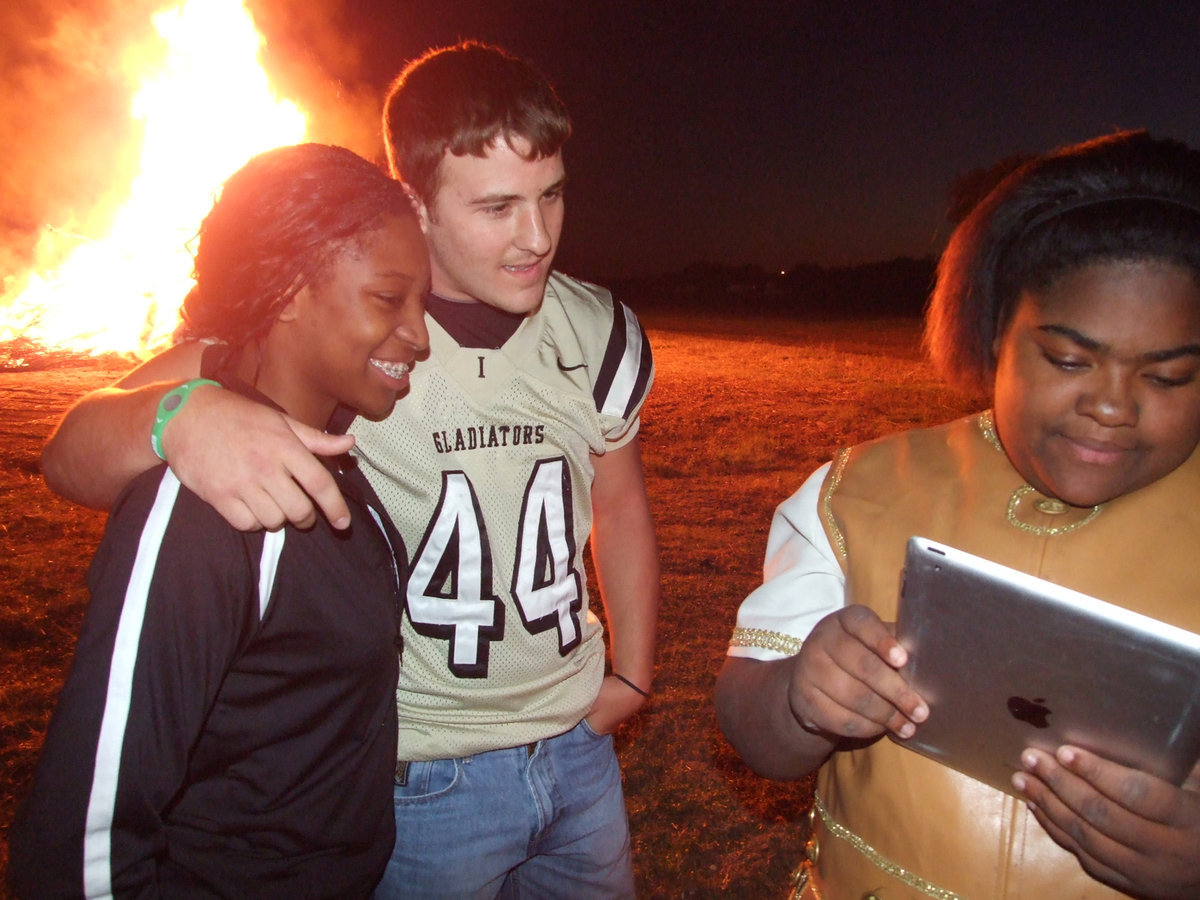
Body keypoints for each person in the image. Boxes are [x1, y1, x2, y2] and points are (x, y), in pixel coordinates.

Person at [39, 42, 659, 899]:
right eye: (497, 206)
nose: (539, 235)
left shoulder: (591, 330)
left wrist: (633, 666)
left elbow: (618, 499)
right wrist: (179, 413)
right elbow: (70, 447)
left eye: (551, 194)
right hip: (425, 770)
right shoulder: (349, 343)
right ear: (416, 202)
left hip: (576, 747)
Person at [715, 130, 1200, 900]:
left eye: (1169, 376)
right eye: (1069, 360)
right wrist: (802, 699)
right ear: (996, 331)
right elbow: (749, 718)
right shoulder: (861, 492)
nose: (1111, 405)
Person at [10, 143, 430, 896]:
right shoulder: (209, 510)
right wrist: (179, 415)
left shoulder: (319, 435)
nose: (420, 336)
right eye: (390, 299)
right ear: (293, 289)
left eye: (422, 303)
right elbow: (81, 852)